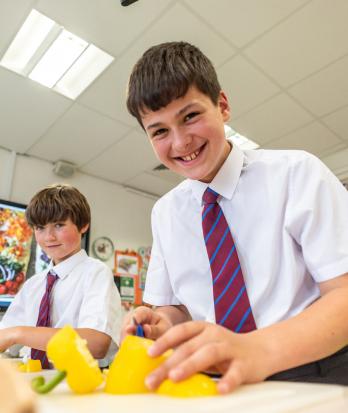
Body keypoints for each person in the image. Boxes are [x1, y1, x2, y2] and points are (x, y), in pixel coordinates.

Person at [121, 41, 348, 394]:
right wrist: (158, 323)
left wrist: (257, 350)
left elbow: (343, 295)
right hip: (213, 379)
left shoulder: (298, 174)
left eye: (190, 116)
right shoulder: (165, 212)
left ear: (222, 106)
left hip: (311, 371)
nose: (180, 143)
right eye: (160, 131)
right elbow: (174, 309)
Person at [0, 184, 121, 367]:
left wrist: (18, 333)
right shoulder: (33, 284)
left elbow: (96, 344)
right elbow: (5, 340)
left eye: (59, 225)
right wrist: (12, 336)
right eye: (40, 227)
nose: (49, 237)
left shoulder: (95, 273)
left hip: (77, 383)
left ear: (83, 225)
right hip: (34, 378)